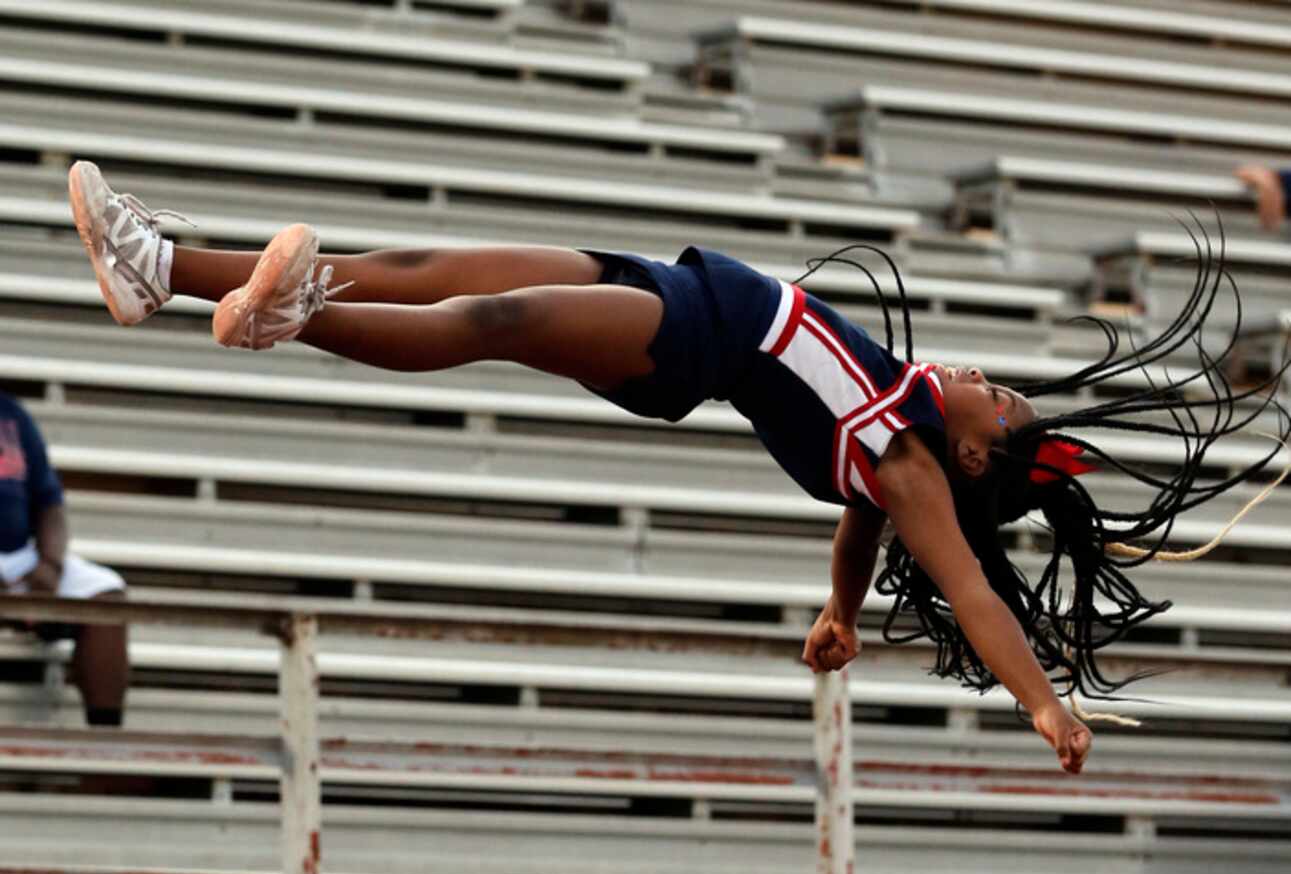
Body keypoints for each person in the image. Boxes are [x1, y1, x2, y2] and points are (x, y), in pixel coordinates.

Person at [68, 170, 1281, 777]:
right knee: (426, 263)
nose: (991, 381)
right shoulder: (892, 445)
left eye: (1002, 405)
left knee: (487, 316)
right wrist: (836, 610)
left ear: (972, 455)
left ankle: (290, 320)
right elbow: (864, 531)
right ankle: (162, 261)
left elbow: (966, 589)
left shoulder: (911, 460)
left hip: (691, 341)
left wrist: (1041, 703)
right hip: (675, 280)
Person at [0, 389, 129, 726]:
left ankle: (105, 748)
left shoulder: (11, 414)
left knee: (106, 594)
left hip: (16, 557)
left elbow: (49, 502)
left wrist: (50, 566)